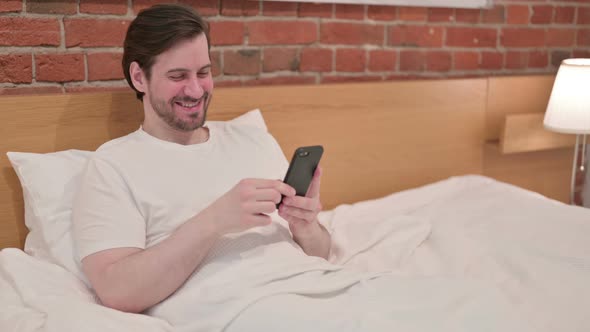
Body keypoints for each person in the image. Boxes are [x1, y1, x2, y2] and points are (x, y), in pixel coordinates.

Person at [73, 4, 530, 332]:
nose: (197, 89)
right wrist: (214, 221)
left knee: (480, 304)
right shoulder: (114, 165)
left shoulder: (248, 137)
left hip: (319, 283)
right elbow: (116, 290)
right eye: (178, 77)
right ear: (138, 77)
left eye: (205, 72)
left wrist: (307, 225)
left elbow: (318, 250)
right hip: (246, 305)